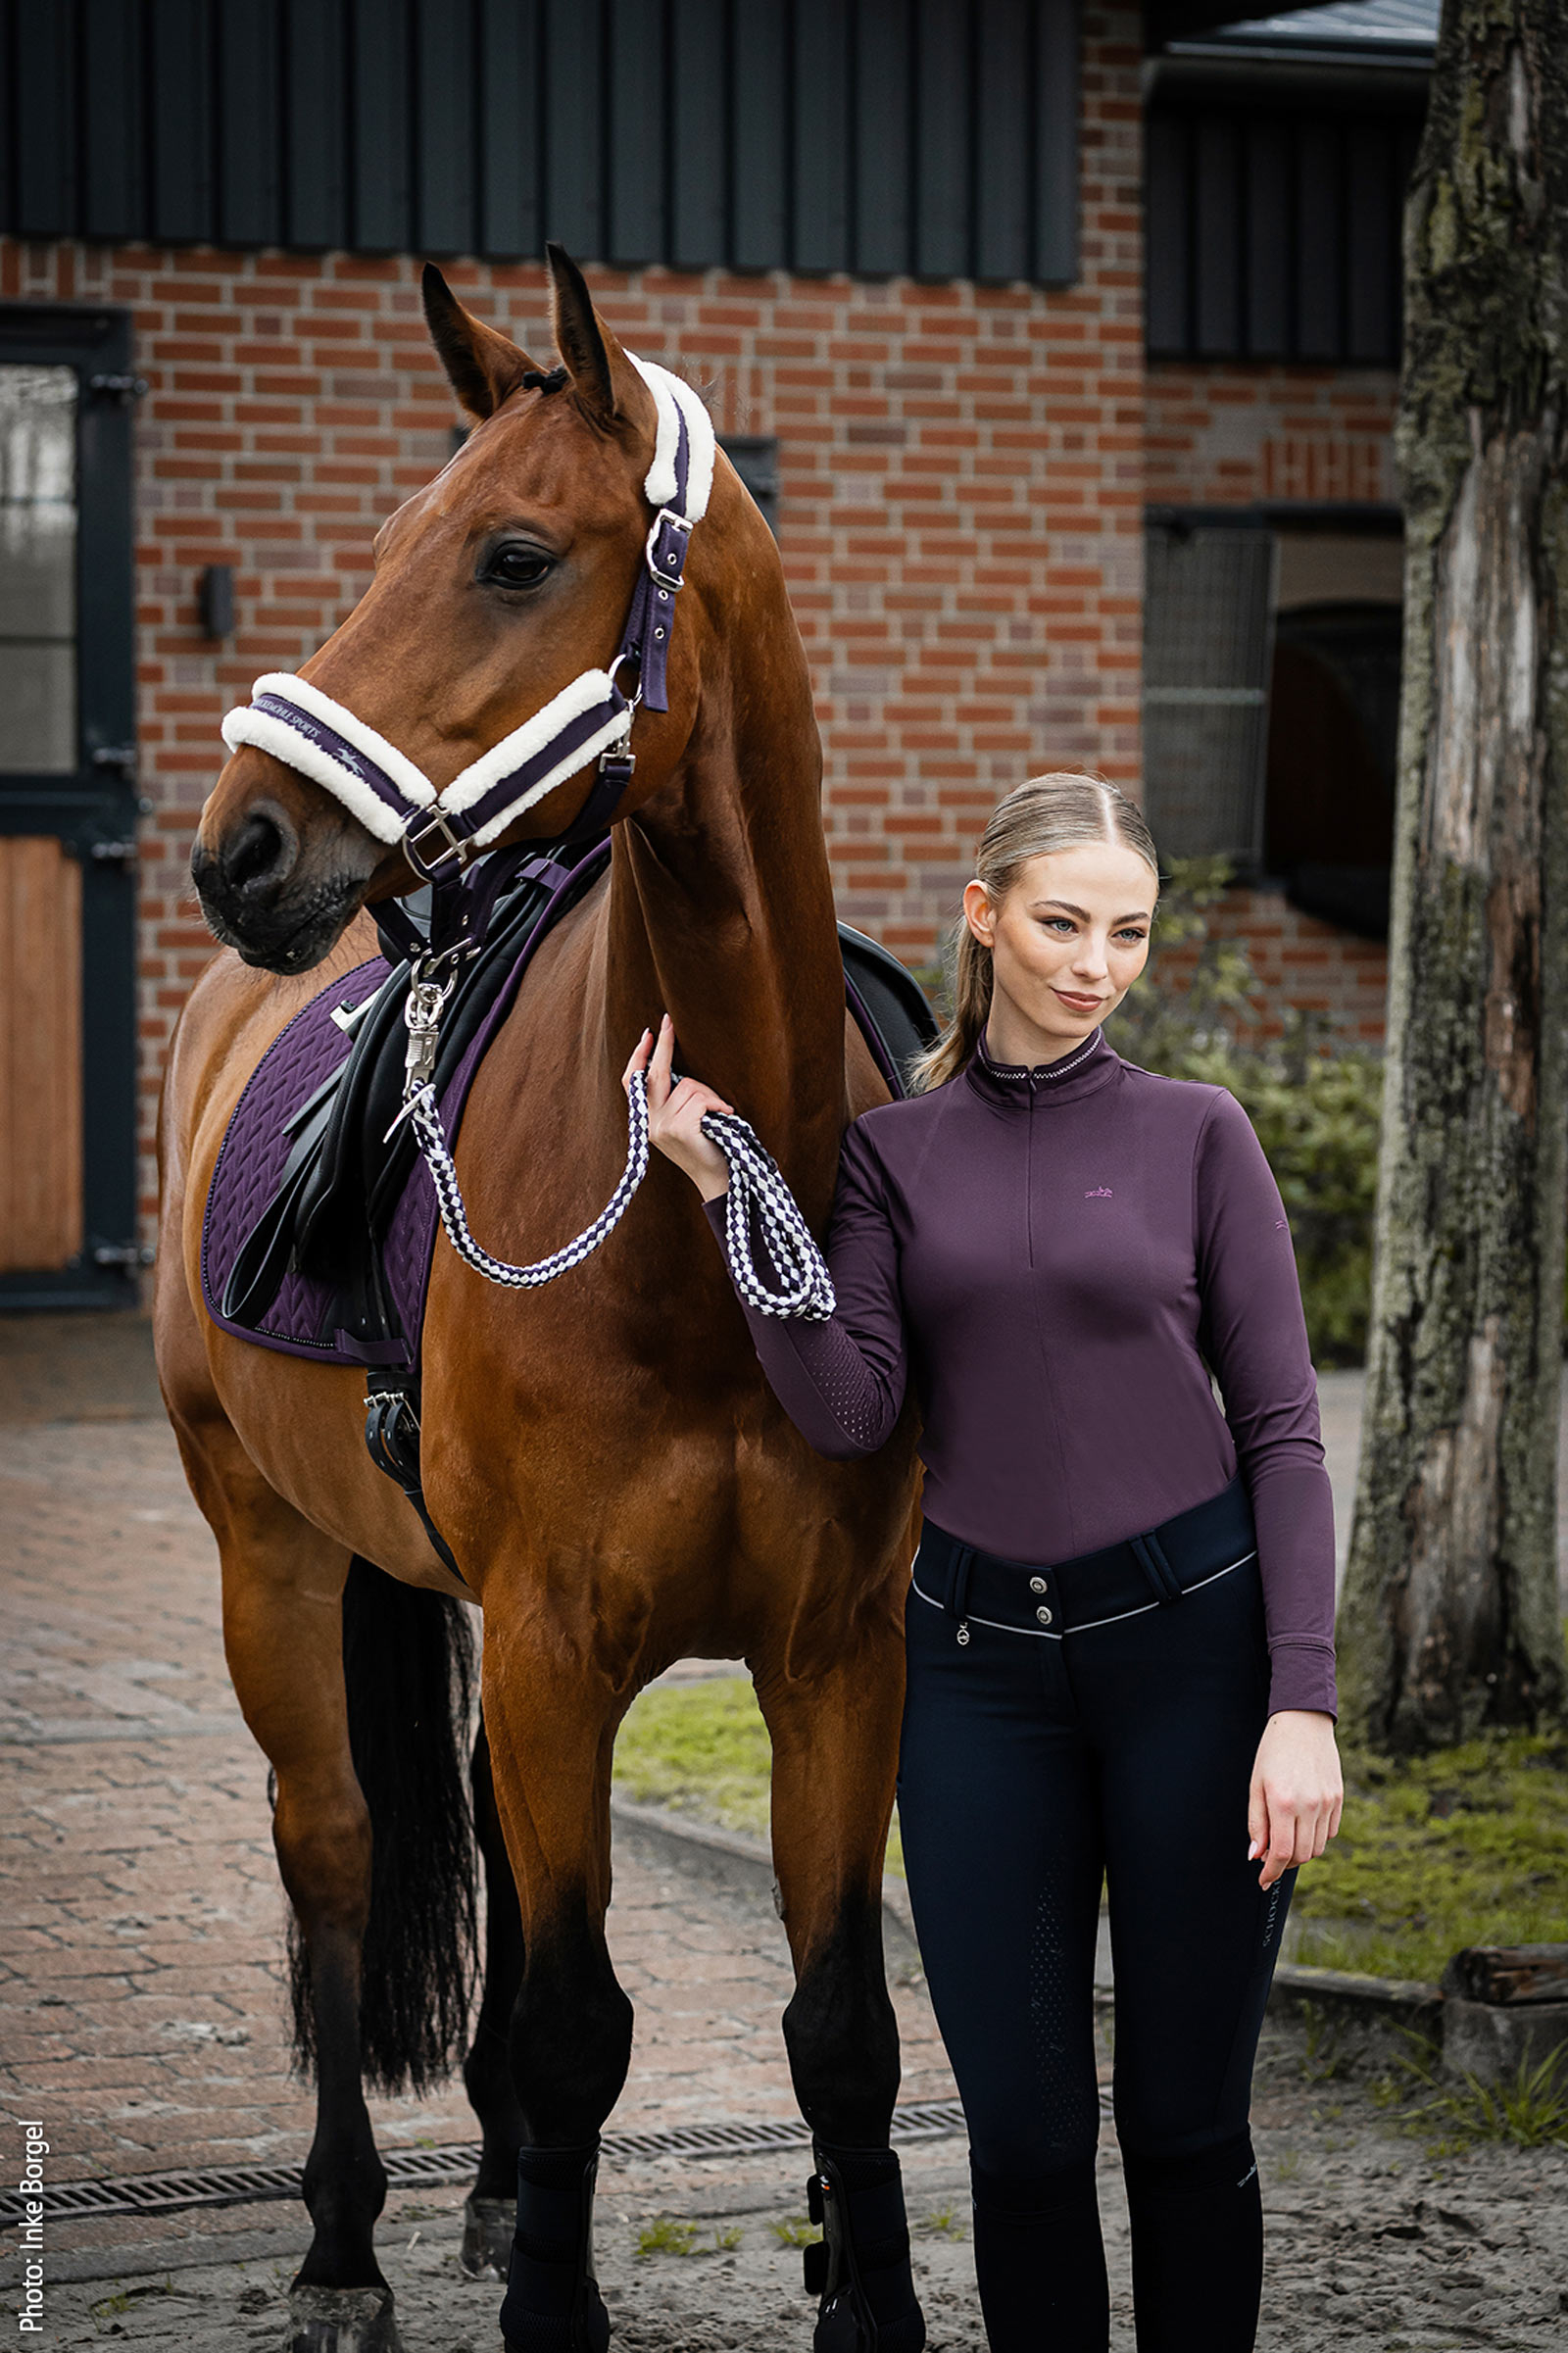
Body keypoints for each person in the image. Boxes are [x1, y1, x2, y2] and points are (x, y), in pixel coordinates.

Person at [623, 771, 1343, 2352]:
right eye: (1065, 922)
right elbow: (849, 1402)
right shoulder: (898, 1157)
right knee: (1020, 2143)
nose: (1098, 963)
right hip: (976, 1682)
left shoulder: (1197, 1136)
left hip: (1197, 1667)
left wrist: (1303, 1702)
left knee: (1183, 2129)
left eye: (1130, 932)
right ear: (985, 914)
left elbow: (1285, 1429)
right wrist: (735, 1192)